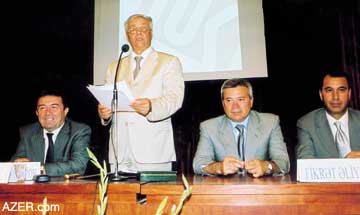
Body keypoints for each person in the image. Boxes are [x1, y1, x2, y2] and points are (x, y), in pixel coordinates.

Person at [98, 14, 184, 172]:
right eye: (132, 29)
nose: (138, 33)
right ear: (127, 35)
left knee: (156, 197)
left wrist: (152, 106)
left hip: (153, 149)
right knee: (120, 197)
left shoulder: (169, 61)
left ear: (151, 32)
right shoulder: (114, 66)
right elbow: (108, 100)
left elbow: (175, 98)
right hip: (120, 150)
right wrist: (105, 113)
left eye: (143, 28)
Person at [193, 79, 290, 177]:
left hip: (261, 188)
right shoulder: (209, 127)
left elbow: (283, 162)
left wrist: (267, 167)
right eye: (229, 100)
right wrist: (218, 167)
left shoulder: (270, 122)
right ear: (223, 103)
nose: (235, 107)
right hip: (225, 189)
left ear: (251, 101)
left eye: (240, 99)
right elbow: (198, 164)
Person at [11, 89, 91, 176]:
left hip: (66, 188)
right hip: (34, 188)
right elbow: (16, 162)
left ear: (65, 111)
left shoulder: (79, 131)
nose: (48, 113)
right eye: (42, 108)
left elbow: (79, 166)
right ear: (37, 113)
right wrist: (17, 164)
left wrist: (40, 169)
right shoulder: (28, 132)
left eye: (54, 107)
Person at [296, 71, 360, 159]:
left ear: (349, 94)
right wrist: (343, 165)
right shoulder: (307, 124)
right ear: (321, 95)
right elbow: (307, 163)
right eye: (329, 90)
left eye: (341, 90)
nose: (335, 97)